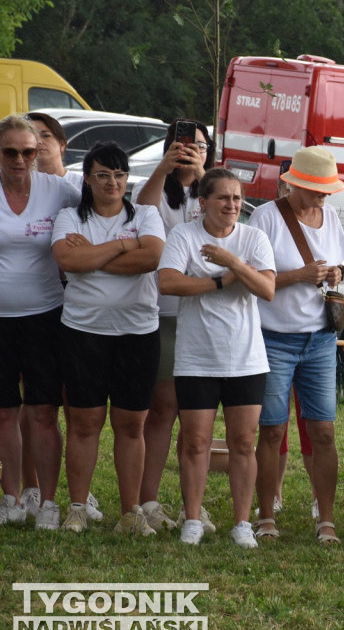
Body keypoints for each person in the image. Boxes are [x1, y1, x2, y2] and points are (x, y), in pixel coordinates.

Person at [51, 142, 165, 535]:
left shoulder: (147, 214)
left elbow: (150, 259)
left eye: (119, 174)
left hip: (138, 333)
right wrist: (121, 245)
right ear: (87, 178)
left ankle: (131, 513)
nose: (112, 182)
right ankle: (78, 508)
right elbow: (68, 261)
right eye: (102, 174)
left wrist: (95, 258)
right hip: (83, 331)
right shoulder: (69, 216)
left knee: (131, 424)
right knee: (84, 422)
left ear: (127, 178)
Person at [157, 168, 275, 547]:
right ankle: (192, 518)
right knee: (195, 442)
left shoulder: (253, 237)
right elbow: (169, 282)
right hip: (196, 358)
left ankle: (242, 524)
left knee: (244, 442)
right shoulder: (183, 236)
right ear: (202, 203)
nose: (232, 205)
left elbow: (267, 289)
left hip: (245, 358)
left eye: (237, 198)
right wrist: (223, 280)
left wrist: (234, 261)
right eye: (223, 198)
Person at [248, 145, 344, 545]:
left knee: (323, 431)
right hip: (274, 338)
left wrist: (334, 274)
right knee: (272, 431)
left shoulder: (328, 218)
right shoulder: (266, 217)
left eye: (327, 190)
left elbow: (338, 259)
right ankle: (266, 515)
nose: (322, 197)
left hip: (320, 339)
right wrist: (301, 275)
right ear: (296, 183)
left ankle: (326, 520)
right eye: (316, 189)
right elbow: (256, 279)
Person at [134, 119, 215, 533]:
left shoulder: (213, 189)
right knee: (163, 407)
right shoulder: (158, 189)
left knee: (197, 415)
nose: (190, 150)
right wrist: (164, 168)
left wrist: (203, 175)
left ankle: (192, 506)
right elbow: (142, 210)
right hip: (162, 311)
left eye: (199, 145)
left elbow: (224, 216)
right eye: (183, 144)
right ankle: (147, 500)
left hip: (204, 313)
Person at [0, 115, 79, 530]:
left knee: (44, 410)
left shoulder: (58, 190)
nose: (20, 159)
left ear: (38, 152)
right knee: (4, 412)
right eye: (10, 151)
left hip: (46, 315)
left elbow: (100, 212)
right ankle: (11, 498)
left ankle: (48, 501)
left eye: (28, 151)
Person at [25, 111, 85, 190]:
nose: (38, 141)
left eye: (46, 135)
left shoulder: (81, 184)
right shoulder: (20, 185)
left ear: (62, 144)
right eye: (31, 136)